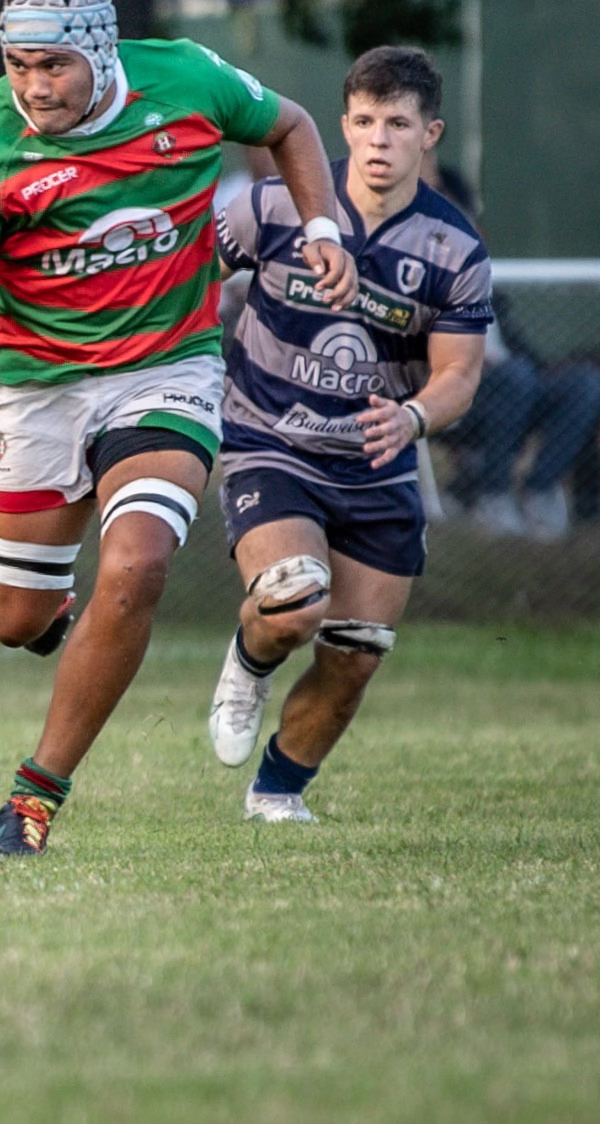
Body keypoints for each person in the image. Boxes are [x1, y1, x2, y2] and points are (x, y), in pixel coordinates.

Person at [0, 0, 357, 856]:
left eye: (53, 66)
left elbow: (292, 126)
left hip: (167, 370)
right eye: (19, 66)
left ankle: (33, 800)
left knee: (135, 563)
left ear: (104, 54)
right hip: (35, 388)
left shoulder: (184, 77)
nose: (34, 86)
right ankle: (87, 632)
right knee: (15, 620)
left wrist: (323, 227)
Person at [207, 46, 489, 820]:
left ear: (429, 133)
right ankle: (248, 658)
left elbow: (459, 374)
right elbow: (191, 274)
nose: (378, 139)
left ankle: (277, 791)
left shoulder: (453, 247)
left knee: (357, 651)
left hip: (376, 462)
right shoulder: (272, 205)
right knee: (294, 601)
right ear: (343, 124)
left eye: (397, 123)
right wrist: (188, 366)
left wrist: (411, 416)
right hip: (271, 440)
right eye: (364, 121)